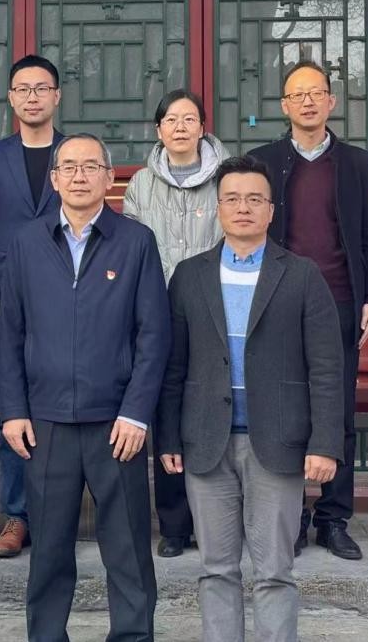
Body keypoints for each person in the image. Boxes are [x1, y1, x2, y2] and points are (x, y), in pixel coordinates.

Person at [157, 154, 343, 642]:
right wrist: (168, 436)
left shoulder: (301, 275)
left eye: (255, 199)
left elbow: (327, 368)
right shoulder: (189, 276)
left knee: (274, 571)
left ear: (271, 210)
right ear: (218, 207)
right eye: (233, 199)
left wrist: (324, 443)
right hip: (206, 441)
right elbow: (173, 366)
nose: (243, 208)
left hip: (277, 444)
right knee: (216, 569)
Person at [0, 133, 170, 642]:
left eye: (90, 166)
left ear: (110, 177)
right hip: (45, 422)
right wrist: (13, 409)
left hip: (116, 424)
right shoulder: (27, 242)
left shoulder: (135, 242)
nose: (78, 176)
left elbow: (154, 335)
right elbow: (9, 332)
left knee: (128, 548)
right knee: (49, 550)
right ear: (54, 179)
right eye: (68, 167)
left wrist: (136, 412)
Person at [251, 60, 368, 561]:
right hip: (279, 301)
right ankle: (292, 517)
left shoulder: (356, 163)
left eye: (316, 93)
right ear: (284, 106)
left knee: (337, 410)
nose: (307, 101)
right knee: (284, 409)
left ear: (331, 101)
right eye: (297, 94)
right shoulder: (264, 161)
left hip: (340, 300)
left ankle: (333, 518)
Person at [122, 88, 228, 558]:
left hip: (215, 308)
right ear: (158, 129)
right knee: (166, 407)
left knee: (210, 407)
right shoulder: (140, 185)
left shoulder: (227, 178)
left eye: (189, 119)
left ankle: (214, 519)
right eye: (171, 120)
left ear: (203, 127)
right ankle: (173, 524)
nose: (180, 127)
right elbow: (131, 248)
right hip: (157, 309)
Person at [0, 54, 64, 559]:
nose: (32, 97)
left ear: (57, 96)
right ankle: (17, 514)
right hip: (8, 294)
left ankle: (59, 510)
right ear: (10, 98)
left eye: (41, 88)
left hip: (67, 292)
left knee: (61, 400)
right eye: (23, 89)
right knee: (13, 402)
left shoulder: (73, 152)